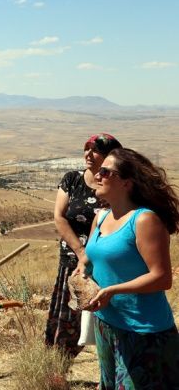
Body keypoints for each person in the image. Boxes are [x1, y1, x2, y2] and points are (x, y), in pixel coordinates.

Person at [79, 148, 179, 388]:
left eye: (105, 171)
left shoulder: (144, 220)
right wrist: (82, 271)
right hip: (107, 321)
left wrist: (112, 290)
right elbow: (90, 257)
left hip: (143, 329)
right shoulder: (101, 217)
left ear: (126, 183)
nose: (97, 175)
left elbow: (162, 278)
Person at [45, 133, 122, 357]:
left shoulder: (112, 184)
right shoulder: (72, 179)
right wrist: (80, 252)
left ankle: (109, 370)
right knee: (68, 320)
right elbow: (59, 217)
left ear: (110, 157)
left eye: (96, 150)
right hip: (73, 263)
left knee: (105, 319)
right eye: (86, 148)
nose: (89, 154)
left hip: (106, 265)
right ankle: (57, 369)